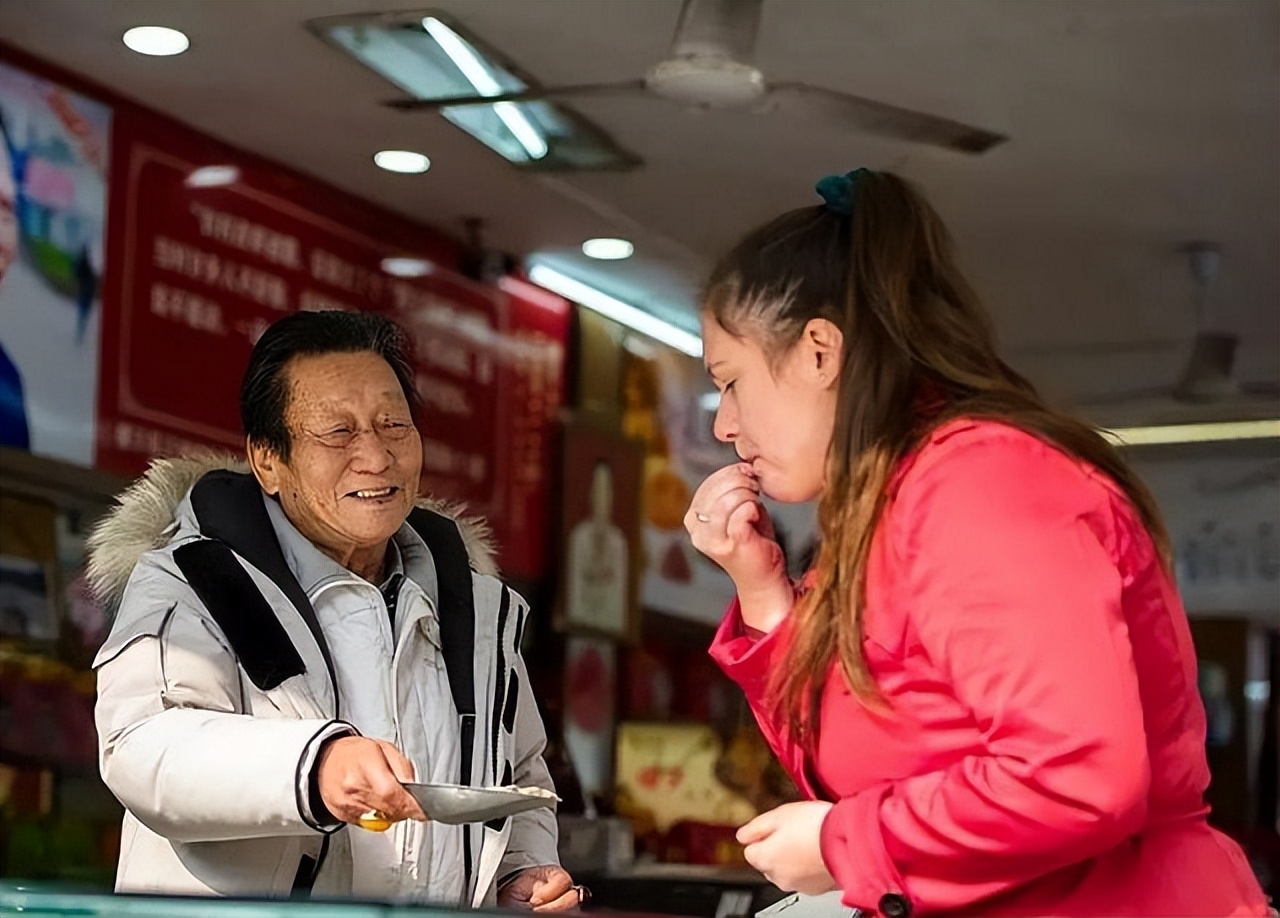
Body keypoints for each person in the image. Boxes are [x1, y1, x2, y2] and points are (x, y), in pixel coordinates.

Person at [685, 168, 1269, 916]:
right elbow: (862, 766)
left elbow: (1075, 774)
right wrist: (764, 596)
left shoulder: (982, 484)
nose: (723, 426)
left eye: (730, 381)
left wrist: (843, 842)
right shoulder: (885, 501)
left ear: (820, 352)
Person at [88, 310, 581, 909]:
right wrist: (316, 766)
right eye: (338, 432)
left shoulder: (473, 605)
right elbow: (145, 745)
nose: (376, 456)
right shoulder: (196, 580)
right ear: (268, 460)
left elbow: (519, 768)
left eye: (394, 424)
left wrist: (520, 874)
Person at [566, 460, 629, 634]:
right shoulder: (579, 537)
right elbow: (575, 602)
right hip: (579, 630)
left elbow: (617, 611)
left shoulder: (618, 543)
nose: (601, 499)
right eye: (597, 491)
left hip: (608, 633)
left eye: (606, 491)